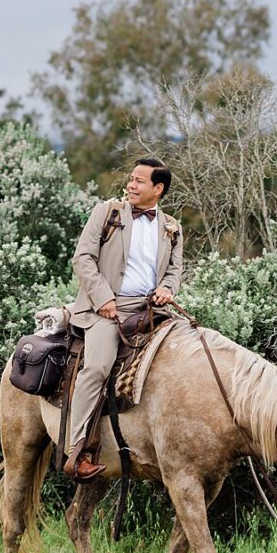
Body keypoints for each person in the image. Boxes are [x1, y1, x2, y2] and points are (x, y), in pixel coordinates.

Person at [62, 157, 184, 481]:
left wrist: (166, 290)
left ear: (158, 189)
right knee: (99, 366)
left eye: (139, 181)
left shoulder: (172, 227)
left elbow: (174, 272)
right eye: (131, 179)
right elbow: (83, 258)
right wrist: (103, 299)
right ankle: (77, 450)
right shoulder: (107, 213)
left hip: (149, 310)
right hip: (107, 308)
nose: (131, 185)